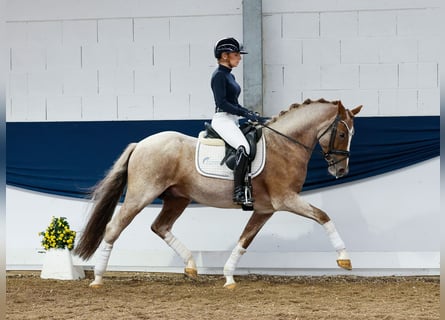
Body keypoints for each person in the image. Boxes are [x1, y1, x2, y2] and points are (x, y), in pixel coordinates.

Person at [210, 37, 259, 205]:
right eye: (236, 54)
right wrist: (244, 112)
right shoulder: (219, 76)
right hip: (222, 119)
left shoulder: (230, 76)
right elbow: (222, 103)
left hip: (232, 119)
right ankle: (238, 191)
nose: (239, 58)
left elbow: (234, 103)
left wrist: (248, 113)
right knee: (243, 147)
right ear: (225, 56)